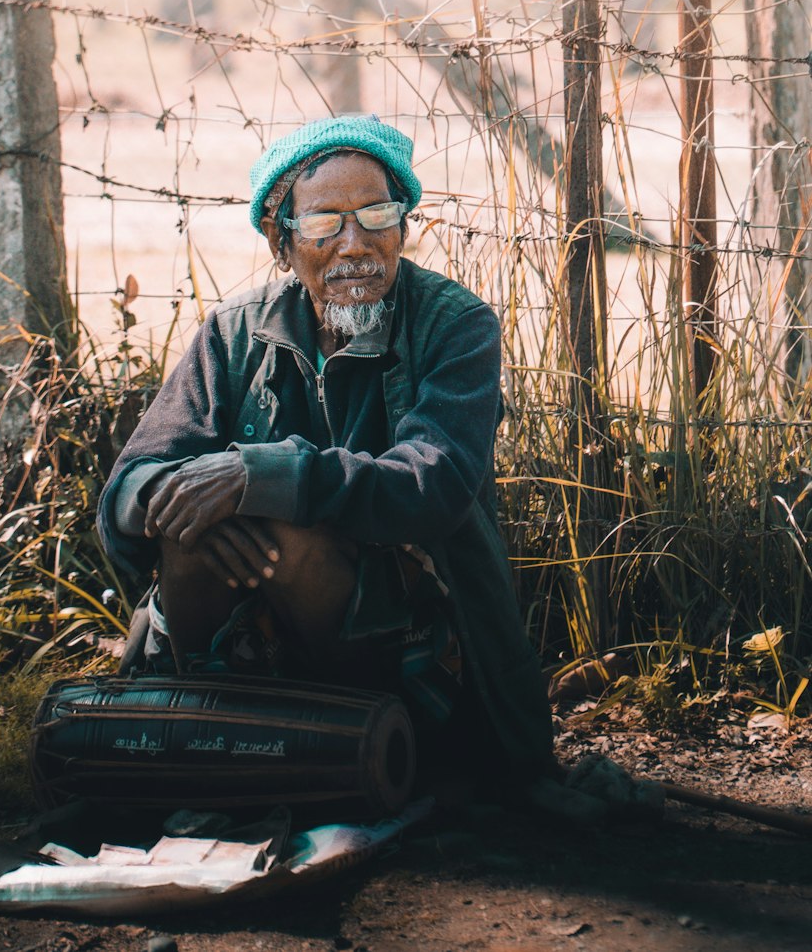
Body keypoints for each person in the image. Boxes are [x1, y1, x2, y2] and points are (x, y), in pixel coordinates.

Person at [96, 114, 555, 790]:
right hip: (258, 637)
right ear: (282, 245)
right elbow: (127, 490)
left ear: (405, 227)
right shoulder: (231, 335)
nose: (354, 246)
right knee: (193, 533)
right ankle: (219, 756)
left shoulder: (456, 327)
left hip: (410, 651)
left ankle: (371, 748)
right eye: (322, 224)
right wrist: (199, 508)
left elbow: (433, 487)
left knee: (285, 526)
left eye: (377, 215)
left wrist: (259, 477)